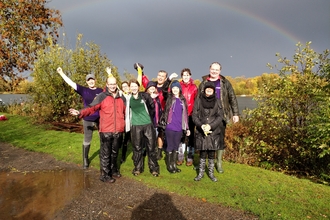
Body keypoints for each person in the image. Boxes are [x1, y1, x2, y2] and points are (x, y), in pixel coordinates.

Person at [69, 77, 126, 183]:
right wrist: (80, 112)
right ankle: (104, 175)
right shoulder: (101, 96)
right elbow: (91, 107)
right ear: (107, 85)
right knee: (106, 153)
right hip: (106, 129)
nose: (113, 86)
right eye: (110, 84)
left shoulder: (121, 98)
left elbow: (126, 112)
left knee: (115, 152)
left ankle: (113, 170)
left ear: (116, 84)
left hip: (118, 130)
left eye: (114, 84)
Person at [57, 67, 103, 169]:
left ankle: (103, 157)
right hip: (87, 118)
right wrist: (62, 73)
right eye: (88, 80)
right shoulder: (84, 90)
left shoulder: (101, 91)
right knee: (87, 139)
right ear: (86, 82)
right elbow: (71, 83)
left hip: (100, 119)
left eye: (92, 79)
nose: (91, 81)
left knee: (103, 139)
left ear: (95, 80)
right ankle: (85, 159)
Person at [199, 62, 239, 173]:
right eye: (213, 69)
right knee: (205, 139)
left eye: (216, 70)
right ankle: (203, 163)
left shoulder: (225, 83)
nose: (214, 71)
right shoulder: (203, 83)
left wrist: (235, 114)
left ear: (220, 71)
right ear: (209, 69)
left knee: (220, 139)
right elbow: (198, 100)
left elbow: (232, 98)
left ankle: (219, 162)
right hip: (206, 116)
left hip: (221, 116)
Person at [135, 63, 177, 160]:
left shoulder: (166, 88)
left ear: (165, 78)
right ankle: (148, 148)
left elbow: (166, 89)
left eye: (163, 76)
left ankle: (159, 150)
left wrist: (170, 80)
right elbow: (144, 80)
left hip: (161, 113)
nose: (160, 78)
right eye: (159, 75)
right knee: (148, 132)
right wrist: (139, 69)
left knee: (160, 133)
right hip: (150, 113)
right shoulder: (152, 85)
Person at [192, 82, 224, 182]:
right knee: (202, 153)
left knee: (211, 154)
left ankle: (211, 173)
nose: (209, 91)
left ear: (214, 91)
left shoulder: (218, 101)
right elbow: (194, 116)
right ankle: (200, 173)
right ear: (204, 90)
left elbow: (220, 116)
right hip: (201, 131)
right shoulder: (198, 101)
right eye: (207, 89)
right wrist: (201, 125)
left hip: (213, 131)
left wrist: (211, 125)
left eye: (211, 89)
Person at [128, 78, 160, 177]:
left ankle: (154, 168)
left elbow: (152, 108)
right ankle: (138, 168)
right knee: (137, 148)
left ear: (138, 86)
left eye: (135, 86)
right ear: (129, 88)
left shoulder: (145, 96)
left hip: (147, 125)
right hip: (135, 126)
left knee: (151, 147)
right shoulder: (128, 98)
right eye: (132, 86)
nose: (134, 88)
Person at [158, 80, 190, 173]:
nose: (175, 90)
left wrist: (187, 128)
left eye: (177, 88)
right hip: (170, 126)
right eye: (173, 88)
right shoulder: (169, 98)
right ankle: (169, 166)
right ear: (171, 89)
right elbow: (164, 90)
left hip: (179, 127)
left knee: (176, 146)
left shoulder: (182, 100)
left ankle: (174, 165)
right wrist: (169, 80)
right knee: (170, 145)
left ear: (179, 89)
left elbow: (185, 115)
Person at [177, 68, 198, 166]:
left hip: (190, 115)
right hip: (180, 115)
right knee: (181, 136)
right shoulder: (178, 86)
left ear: (190, 76)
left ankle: (190, 157)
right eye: (184, 75)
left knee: (190, 136)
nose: (185, 77)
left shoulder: (194, 87)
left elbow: (197, 101)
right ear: (182, 76)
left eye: (187, 75)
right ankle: (180, 156)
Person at [120, 81, 131, 163]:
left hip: (131, 120)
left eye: (126, 86)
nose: (125, 87)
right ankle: (121, 155)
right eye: (123, 86)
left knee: (127, 139)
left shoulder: (132, 95)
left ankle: (123, 156)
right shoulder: (120, 95)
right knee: (121, 138)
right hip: (122, 119)